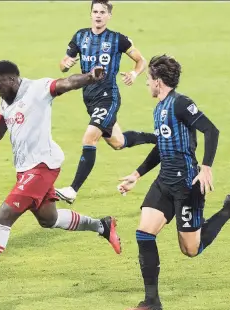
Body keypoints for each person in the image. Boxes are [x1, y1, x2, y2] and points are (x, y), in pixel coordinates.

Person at [0, 60, 121, 295]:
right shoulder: (6, 102)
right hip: (26, 170)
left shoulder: (38, 89)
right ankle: (101, 226)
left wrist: (90, 77)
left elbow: (66, 83)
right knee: (48, 219)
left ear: (11, 80)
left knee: (5, 215)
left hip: (42, 167)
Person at [116, 54, 230, 310]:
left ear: (158, 81)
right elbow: (162, 146)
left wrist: (206, 167)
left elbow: (211, 130)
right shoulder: (159, 108)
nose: (146, 84)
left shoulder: (181, 103)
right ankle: (152, 301)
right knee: (144, 233)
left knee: (190, 250)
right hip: (164, 181)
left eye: (148, 79)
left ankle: (229, 209)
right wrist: (136, 174)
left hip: (186, 184)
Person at [55, 0, 157, 204]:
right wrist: (65, 64)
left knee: (89, 138)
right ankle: (159, 139)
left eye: (102, 12)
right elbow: (63, 64)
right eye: (95, 11)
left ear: (109, 15)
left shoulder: (118, 39)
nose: (98, 15)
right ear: (90, 14)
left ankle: (72, 190)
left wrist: (135, 74)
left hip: (108, 97)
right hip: (89, 98)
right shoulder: (80, 36)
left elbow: (141, 60)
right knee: (118, 142)